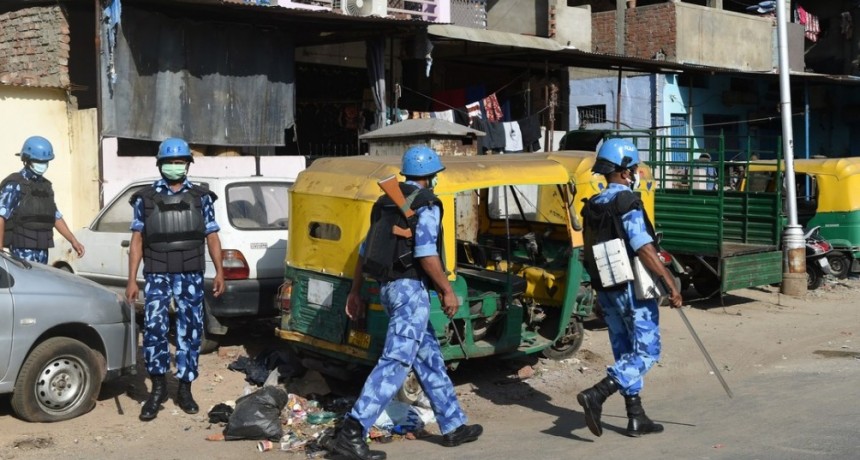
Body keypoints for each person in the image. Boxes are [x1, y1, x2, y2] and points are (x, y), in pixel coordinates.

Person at [330, 145, 482, 460]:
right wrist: (446, 290)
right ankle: (352, 432)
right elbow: (426, 253)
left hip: (387, 288)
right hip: (409, 291)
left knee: (428, 358)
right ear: (432, 176)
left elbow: (363, 251)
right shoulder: (426, 205)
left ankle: (453, 425)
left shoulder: (386, 202)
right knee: (396, 362)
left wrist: (355, 291)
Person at [578, 138, 683, 438]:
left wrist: (598, 293)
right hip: (632, 289)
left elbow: (587, 253)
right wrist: (668, 282)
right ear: (625, 172)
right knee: (648, 352)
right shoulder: (627, 202)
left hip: (607, 288)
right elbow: (643, 247)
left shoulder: (593, 206)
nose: (636, 173)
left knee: (625, 351)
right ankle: (597, 393)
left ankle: (636, 416)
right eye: (634, 168)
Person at [125, 137, 225, 422]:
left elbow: (212, 235)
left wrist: (219, 271)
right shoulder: (144, 199)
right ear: (160, 165)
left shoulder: (202, 197)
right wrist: (132, 280)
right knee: (155, 329)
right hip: (157, 274)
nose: (174, 166)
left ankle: (184, 389)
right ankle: (156, 391)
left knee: (190, 330)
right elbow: (136, 240)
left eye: (179, 162)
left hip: (191, 273)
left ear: (188, 165)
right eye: (169, 162)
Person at [0, 136, 85, 263]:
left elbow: (55, 216)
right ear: (27, 160)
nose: (43, 165)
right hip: (22, 253)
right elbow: (1, 216)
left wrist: (73, 241)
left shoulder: (46, 186)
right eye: (38, 161)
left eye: (45, 161)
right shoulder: (15, 185)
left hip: (42, 252)